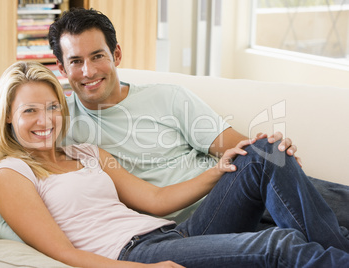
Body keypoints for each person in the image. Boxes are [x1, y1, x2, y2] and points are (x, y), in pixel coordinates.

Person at [0, 60, 349, 267]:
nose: (45, 120)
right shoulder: (12, 174)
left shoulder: (86, 152)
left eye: (52, 107)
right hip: (136, 254)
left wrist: (220, 169)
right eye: (29, 111)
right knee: (277, 244)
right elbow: (63, 253)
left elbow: (156, 200)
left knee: (261, 151)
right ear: (7, 117)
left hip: (175, 231)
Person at [48, 7, 349, 226]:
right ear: (61, 69)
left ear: (116, 55)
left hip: (235, 189)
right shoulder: (60, 127)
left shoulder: (167, 97)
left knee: (279, 167)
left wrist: (274, 156)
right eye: (75, 61)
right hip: (198, 221)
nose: (88, 71)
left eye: (97, 56)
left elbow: (236, 147)